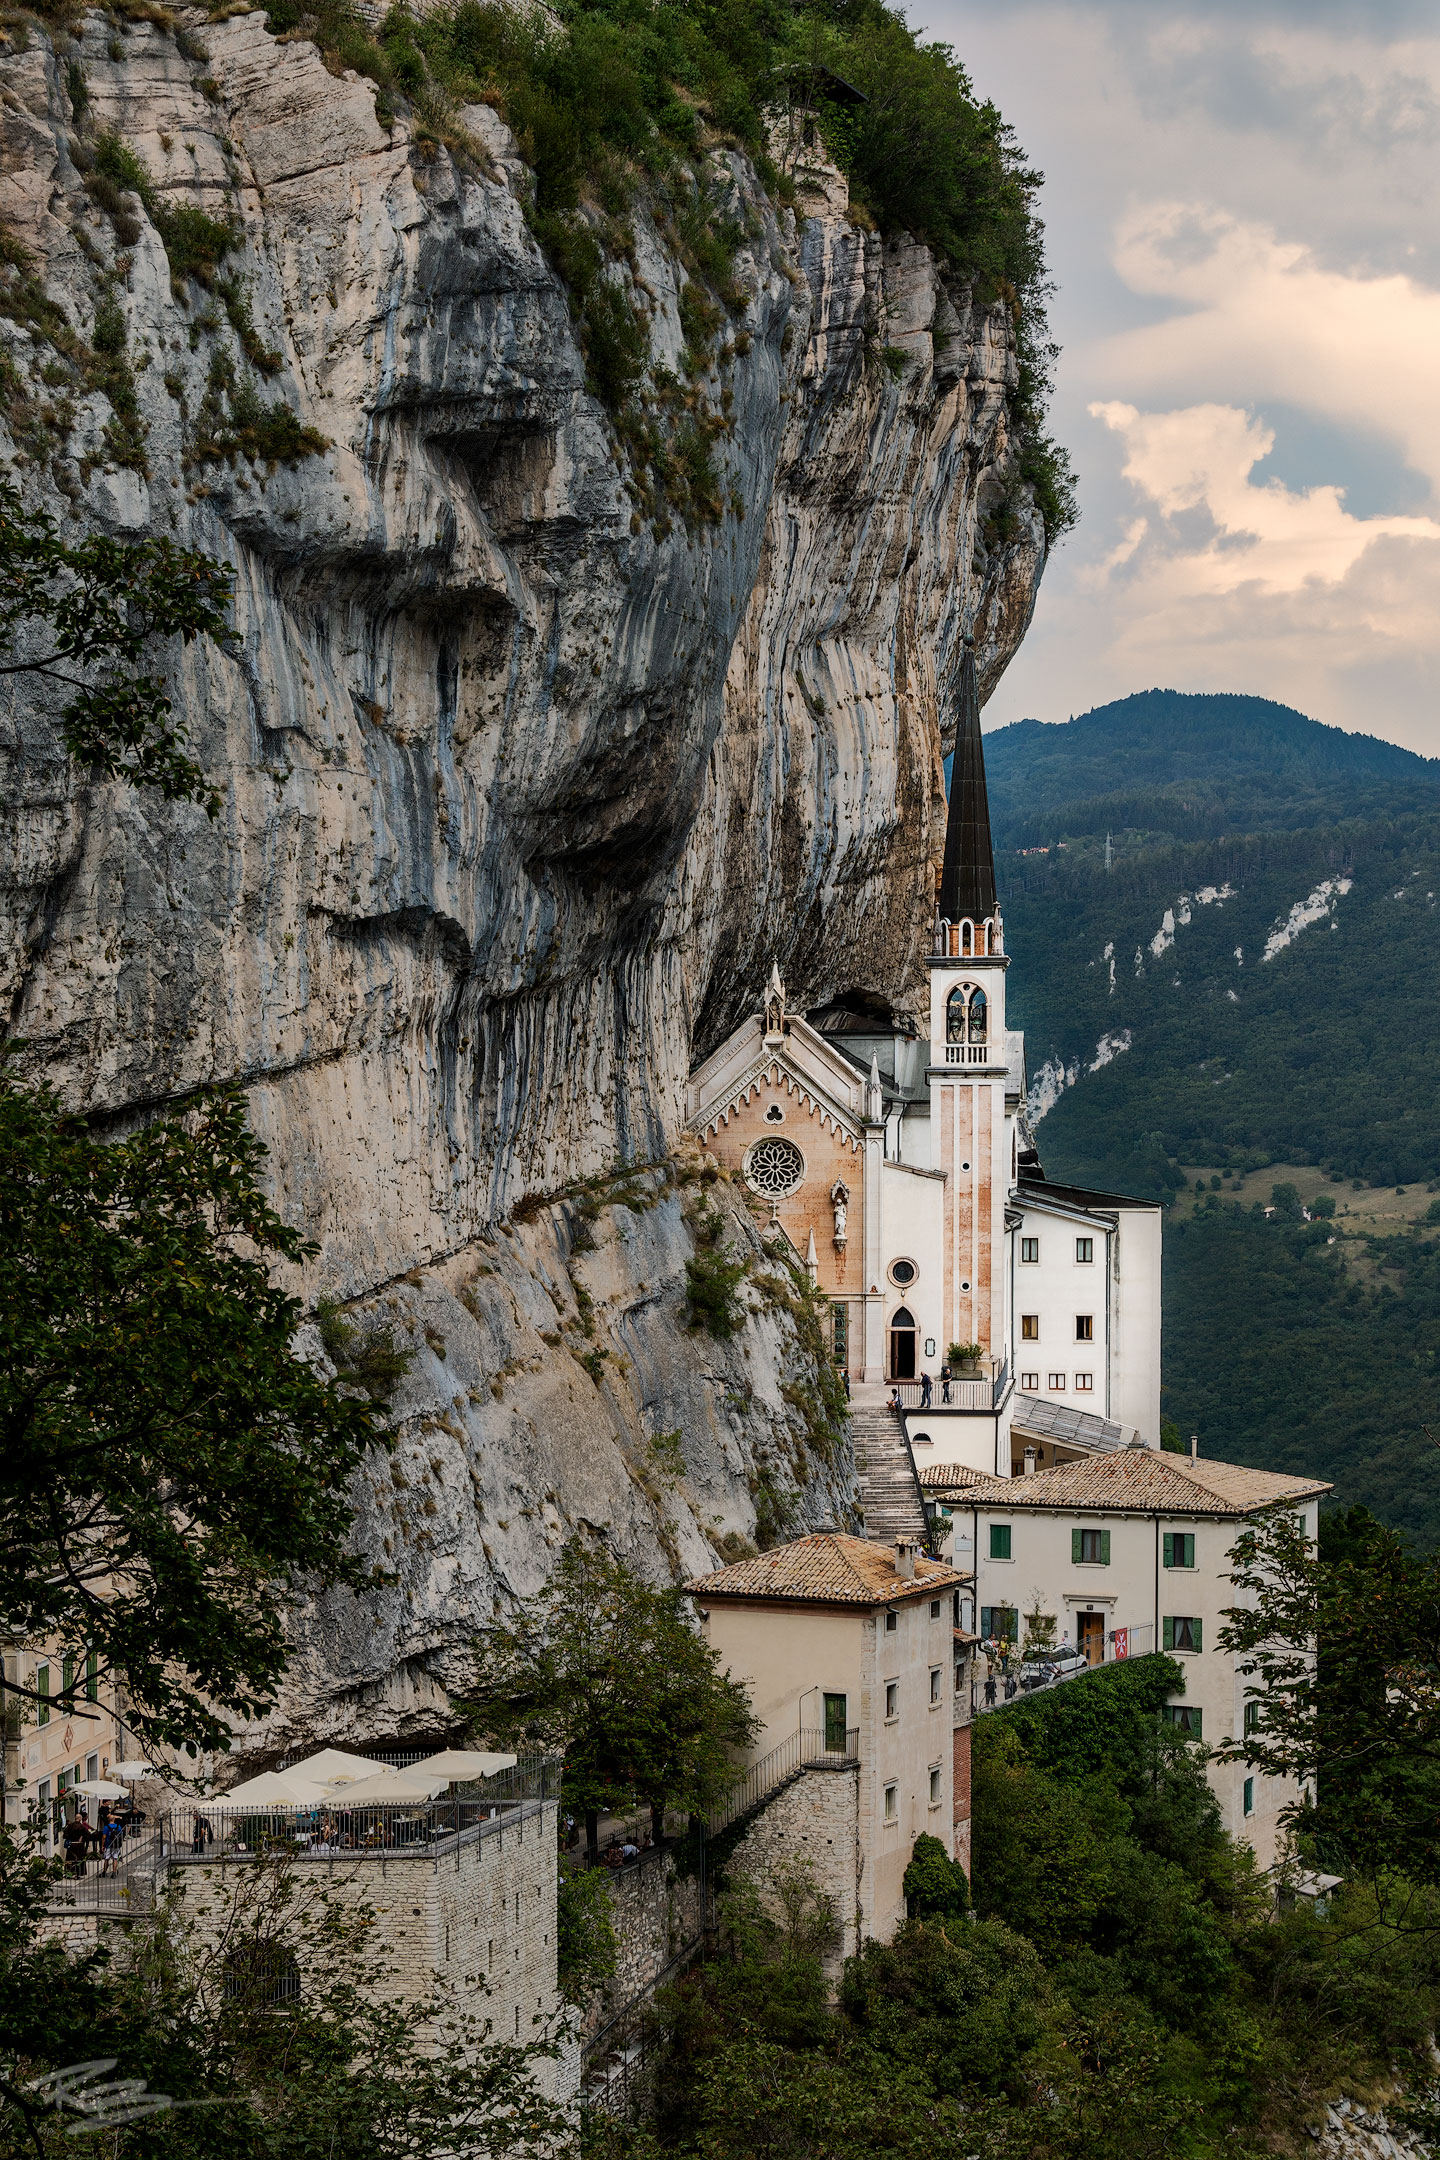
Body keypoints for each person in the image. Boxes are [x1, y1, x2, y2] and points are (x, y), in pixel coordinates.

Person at [62, 1807, 90, 1877]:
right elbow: (88, 1835)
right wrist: (82, 1837)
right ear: (80, 1819)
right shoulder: (82, 1827)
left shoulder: (70, 1826)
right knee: (79, 1859)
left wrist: (69, 1838)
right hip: (79, 1845)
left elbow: (64, 1835)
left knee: (70, 1858)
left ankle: (69, 1872)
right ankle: (78, 1873)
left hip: (71, 1844)